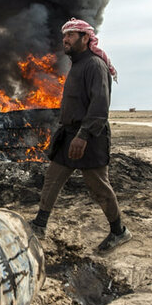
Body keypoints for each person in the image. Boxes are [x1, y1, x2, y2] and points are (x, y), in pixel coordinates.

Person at [30, 17, 132, 252]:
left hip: (90, 136)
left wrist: (83, 136)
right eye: (64, 35)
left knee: (98, 186)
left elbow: (99, 105)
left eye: (71, 35)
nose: (65, 39)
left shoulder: (94, 65)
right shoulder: (77, 64)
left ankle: (119, 231)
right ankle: (39, 225)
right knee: (53, 178)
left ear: (86, 38)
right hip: (69, 134)